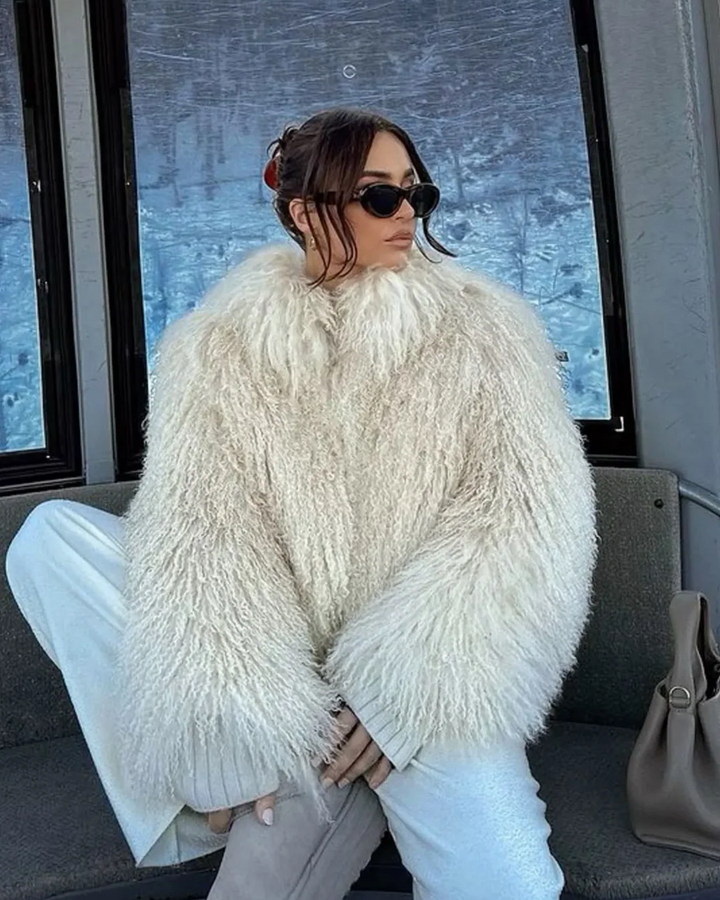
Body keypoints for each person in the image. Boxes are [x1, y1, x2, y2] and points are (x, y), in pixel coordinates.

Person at [5, 106, 597, 900]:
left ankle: (302, 766)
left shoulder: (486, 332)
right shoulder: (218, 347)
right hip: (294, 682)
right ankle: (253, 763)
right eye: (380, 198)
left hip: (433, 667)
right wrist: (241, 710)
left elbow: (525, 523)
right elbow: (205, 536)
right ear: (304, 210)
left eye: (417, 197)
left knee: (509, 886)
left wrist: (401, 689)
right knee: (49, 538)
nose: (407, 218)